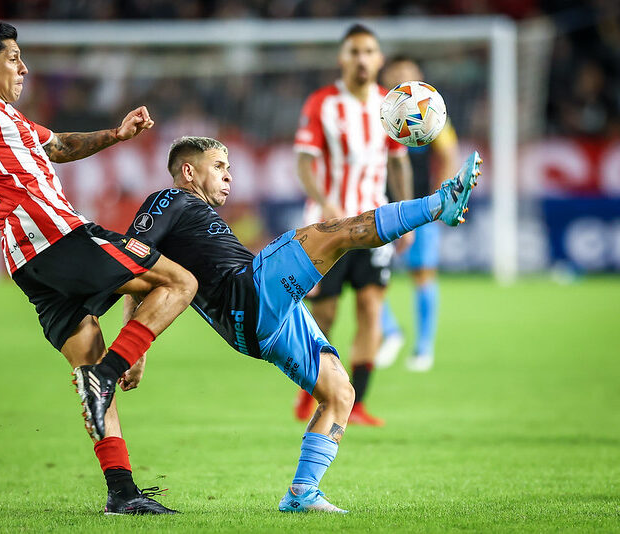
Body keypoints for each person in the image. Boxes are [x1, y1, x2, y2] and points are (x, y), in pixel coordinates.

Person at [0, 20, 197, 515]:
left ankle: (121, 493)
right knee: (180, 280)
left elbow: (59, 146)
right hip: (56, 237)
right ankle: (108, 375)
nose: (23, 67)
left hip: (28, 262)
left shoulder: (10, 120)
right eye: (14, 57)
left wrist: (116, 134)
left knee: (88, 357)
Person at [119, 136, 481, 513]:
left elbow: (146, 271)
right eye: (219, 167)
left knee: (341, 393)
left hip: (254, 330)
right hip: (249, 292)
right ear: (189, 171)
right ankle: (441, 202)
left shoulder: (195, 216)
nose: (229, 176)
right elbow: (134, 263)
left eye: (228, 168)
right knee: (339, 232)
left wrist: (139, 347)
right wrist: (135, 346)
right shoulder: (168, 200)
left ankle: (302, 494)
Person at [293, 23, 413, 426]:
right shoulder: (323, 103)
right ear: (342, 58)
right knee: (323, 313)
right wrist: (325, 201)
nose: (362, 59)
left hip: (376, 224)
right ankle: (312, 387)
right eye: (354, 51)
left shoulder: (389, 104)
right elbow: (305, 162)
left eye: (369, 51)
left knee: (370, 308)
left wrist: (405, 218)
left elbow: (398, 162)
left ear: (379, 59)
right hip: (328, 225)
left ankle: (356, 402)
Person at [375, 56, 460, 372]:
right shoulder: (374, 111)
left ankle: (424, 347)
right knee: (367, 277)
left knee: (422, 272)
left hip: (419, 207)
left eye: (408, 73)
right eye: (396, 73)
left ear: (419, 77)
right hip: (376, 204)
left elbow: (449, 154)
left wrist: (441, 198)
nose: (402, 78)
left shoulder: (432, 111)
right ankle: (391, 332)